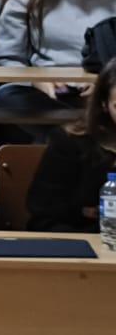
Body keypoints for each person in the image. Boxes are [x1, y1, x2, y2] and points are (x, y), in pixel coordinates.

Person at [0, 0, 116, 141]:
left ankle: (70, 140)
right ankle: (80, 139)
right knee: (6, 96)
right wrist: (37, 81)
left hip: (107, 91)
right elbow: (9, 59)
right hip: (48, 94)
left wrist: (105, 84)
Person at [26, 58, 116, 232]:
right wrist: (84, 212)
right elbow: (44, 209)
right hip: (78, 234)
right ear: (104, 104)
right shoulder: (70, 142)